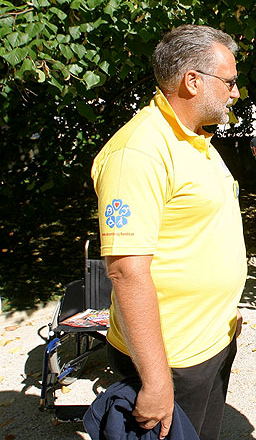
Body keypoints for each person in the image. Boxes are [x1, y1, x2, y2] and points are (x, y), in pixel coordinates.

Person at [91, 24, 247, 440]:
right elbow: (126, 271)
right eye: (230, 82)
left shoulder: (196, 140)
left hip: (210, 345)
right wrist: (157, 381)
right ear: (192, 81)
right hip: (171, 360)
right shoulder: (138, 152)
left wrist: (225, 315)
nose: (236, 93)